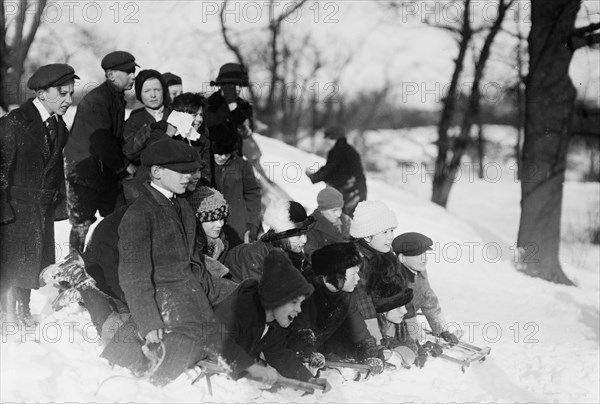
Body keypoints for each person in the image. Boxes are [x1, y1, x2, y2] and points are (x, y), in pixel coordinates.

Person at [111, 137, 236, 385]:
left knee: (250, 298)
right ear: (156, 172)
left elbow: (192, 262)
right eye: (180, 171)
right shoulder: (139, 214)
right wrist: (148, 320)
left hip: (192, 285)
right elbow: (134, 276)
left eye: (189, 171)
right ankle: (151, 372)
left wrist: (219, 289)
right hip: (164, 293)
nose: (187, 177)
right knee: (195, 338)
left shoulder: (182, 206)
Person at [0, 64, 79, 324]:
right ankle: (8, 317)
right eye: (63, 94)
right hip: (14, 212)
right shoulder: (14, 123)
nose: (69, 100)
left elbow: (58, 170)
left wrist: (59, 206)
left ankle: (22, 311)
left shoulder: (58, 125)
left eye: (71, 94)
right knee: (12, 266)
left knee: (32, 266)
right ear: (43, 93)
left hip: (40, 210)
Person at [214, 250, 330, 391]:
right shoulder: (241, 307)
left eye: (300, 303)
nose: (299, 309)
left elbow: (280, 355)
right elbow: (214, 339)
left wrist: (309, 379)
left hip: (227, 376)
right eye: (294, 302)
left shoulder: (272, 325)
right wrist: (252, 367)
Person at [64, 51, 138, 253]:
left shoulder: (115, 98)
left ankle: (105, 264)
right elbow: (102, 142)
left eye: (134, 71)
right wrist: (126, 167)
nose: (133, 76)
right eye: (128, 72)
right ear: (111, 74)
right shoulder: (98, 100)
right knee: (82, 224)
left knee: (118, 217)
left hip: (104, 171)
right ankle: (73, 270)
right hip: (84, 172)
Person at [288, 243, 386, 374]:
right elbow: (298, 331)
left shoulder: (346, 295)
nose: (358, 279)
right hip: (289, 350)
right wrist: (310, 353)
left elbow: (359, 331)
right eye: (354, 274)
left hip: (323, 346)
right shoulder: (305, 293)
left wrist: (370, 354)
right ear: (336, 276)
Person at [223, 199, 314, 283]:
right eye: (298, 235)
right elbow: (257, 295)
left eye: (305, 234)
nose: (304, 240)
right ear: (282, 235)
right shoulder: (256, 256)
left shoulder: (293, 252)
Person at [392, 232, 459, 345]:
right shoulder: (394, 278)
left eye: (424, 253)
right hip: (394, 326)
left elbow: (429, 301)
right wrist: (417, 340)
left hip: (409, 321)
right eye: (417, 255)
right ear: (402, 258)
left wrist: (442, 330)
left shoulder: (420, 273)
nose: (424, 258)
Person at [122, 69, 172, 201]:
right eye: (147, 91)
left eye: (157, 90)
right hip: (144, 183)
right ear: (139, 94)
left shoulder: (175, 115)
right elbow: (129, 150)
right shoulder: (135, 119)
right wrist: (147, 130)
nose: (153, 95)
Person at [211, 128, 262, 246]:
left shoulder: (242, 165)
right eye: (219, 153)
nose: (223, 157)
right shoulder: (207, 165)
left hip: (239, 225)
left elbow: (253, 195)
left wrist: (253, 224)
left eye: (227, 153)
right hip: (215, 224)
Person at [306, 125, 367, 217]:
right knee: (350, 220)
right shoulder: (348, 150)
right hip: (356, 191)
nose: (326, 141)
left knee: (343, 220)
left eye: (328, 138)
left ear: (334, 138)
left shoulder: (338, 151)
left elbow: (330, 169)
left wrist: (314, 176)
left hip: (350, 192)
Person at [205, 63, 253, 157]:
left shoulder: (243, 106)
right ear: (224, 85)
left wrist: (233, 105)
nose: (239, 89)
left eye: (240, 85)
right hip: (213, 160)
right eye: (234, 85)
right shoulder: (209, 104)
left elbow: (245, 132)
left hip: (236, 161)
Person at [186, 187, 231, 276]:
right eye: (212, 220)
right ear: (197, 222)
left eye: (221, 218)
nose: (219, 224)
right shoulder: (190, 249)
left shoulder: (222, 243)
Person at [304, 187, 352, 258]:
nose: (338, 214)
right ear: (322, 210)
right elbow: (314, 258)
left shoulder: (346, 220)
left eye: (340, 209)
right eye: (334, 210)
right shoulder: (310, 227)